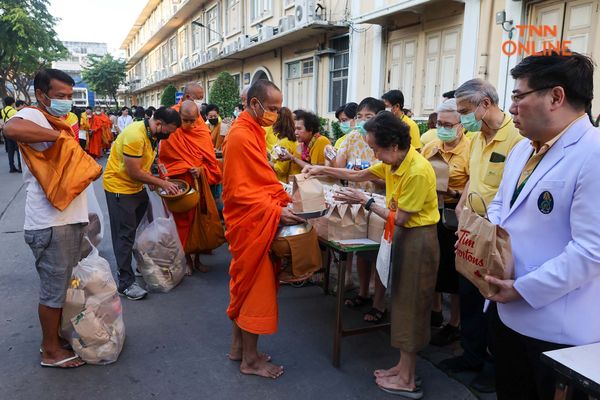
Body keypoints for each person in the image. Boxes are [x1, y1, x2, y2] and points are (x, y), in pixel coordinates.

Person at [485, 52, 600, 400]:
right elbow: (502, 204)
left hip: (555, 327)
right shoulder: (523, 150)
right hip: (507, 312)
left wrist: (523, 288)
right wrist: (487, 241)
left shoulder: (592, 154)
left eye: (519, 96)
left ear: (556, 97)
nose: (512, 106)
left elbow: (590, 251)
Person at [304, 111, 439, 398]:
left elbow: (401, 218)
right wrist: (322, 170)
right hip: (402, 237)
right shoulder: (394, 163)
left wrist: (364, 200)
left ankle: (408, 378)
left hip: (418, 239)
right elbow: (358, 174)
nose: (373, 154)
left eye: (376, 148)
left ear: (393, 145)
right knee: (401, 302)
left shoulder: (416, 170)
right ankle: (402, 368)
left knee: (412, 306)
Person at [3, 68, 90, 368]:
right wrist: (58, 136)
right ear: (42, 95)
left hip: (68, 220)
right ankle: (50, 351)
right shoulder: (37, 116)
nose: (66, 102)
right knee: (53, 292)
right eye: (60, 96)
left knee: (64, 287)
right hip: (51, 224)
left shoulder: (62, 120)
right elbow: (10, 129)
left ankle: (56, 338)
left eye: (69, 96)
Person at [442, 78, 523, 393]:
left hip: (498, 236)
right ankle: (470, 355)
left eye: (465, 110)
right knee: (470, 296)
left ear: (485, 104)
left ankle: (492, 366)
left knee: (493, 303)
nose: (462, 118)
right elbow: (472, 183)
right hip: (471, 232)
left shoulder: (516, 137)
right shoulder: (475, 139)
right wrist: (461, 217)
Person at [223, 79, 305, 379]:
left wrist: (280, 197)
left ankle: (238, 348)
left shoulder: (252, 130)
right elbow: (240, 192)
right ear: (254, 104)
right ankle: (251, 362)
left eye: (278, 108)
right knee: (254, 289)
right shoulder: (242, 135)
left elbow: (259, 178)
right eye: (271, 108)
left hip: (250, 220)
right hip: (250, 222)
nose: (275, 113)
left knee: (243, 285)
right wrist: (276, 209)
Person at [103, 106, 181, 300]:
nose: (170, 136)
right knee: (124, 236)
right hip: (120, 188)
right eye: (170, 131)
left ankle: (139, 265)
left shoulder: (153, 135)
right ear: (159, 123)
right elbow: (134, 172)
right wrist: (160, 182)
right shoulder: (135, 135)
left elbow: (146, 164)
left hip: (136, 188)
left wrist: (157, 177)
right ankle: (125, 283)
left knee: (141, 229)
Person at [421, 99, 470, 346]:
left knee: (454, 271)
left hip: (455, 215)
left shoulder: (471, 149)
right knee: (434, 265)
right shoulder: (430, 146)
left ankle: (455, 323)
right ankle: (435, 310)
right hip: (432, 213)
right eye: (439, 123)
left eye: (448, 124)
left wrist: (452, 192)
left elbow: (476, 187)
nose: (443, 128)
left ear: (461, 126)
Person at [334, 97, 387, 323]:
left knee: (380, 255)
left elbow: (391, 175)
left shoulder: (386, 140)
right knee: (361, 251)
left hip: (380, 203)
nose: (363, 121)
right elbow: (339, 166)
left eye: (369, 116)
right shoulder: (352, 137)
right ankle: (363, 292)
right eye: (360, 116)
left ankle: (379, 302)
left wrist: (376, 181)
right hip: (356, 201)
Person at [158, 100, 222, 273]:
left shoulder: (201, 131)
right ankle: (186, 259)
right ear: (179, 117)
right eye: (186, 120)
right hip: (181, 186)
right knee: (183, 222)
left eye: (193, 120)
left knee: (200, 221)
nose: (190, 124)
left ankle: (198, 258)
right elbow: (164, 160)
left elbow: (211, 163)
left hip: (199, 184)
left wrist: (200, 170)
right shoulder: (171, 132)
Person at [280, 109, 330, 175]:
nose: (295, 133)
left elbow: (316, 170)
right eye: (295, 129)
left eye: (299, 129)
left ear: (310, 129)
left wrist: (293, 158)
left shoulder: (321, 141)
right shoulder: (304, 143)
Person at [270, 107, 297, 183]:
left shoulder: (284, 142)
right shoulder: (287, 139)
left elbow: (281, 169)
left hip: (283, 182)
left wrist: (266, 161)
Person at [2, 96, 21, 173]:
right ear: (12, 103)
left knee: (10, 151)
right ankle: (20, 167)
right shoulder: (13, 111)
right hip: (14, 132)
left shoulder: (3, 110)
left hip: (6, 131)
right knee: (18, 150)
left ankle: (12, 167)